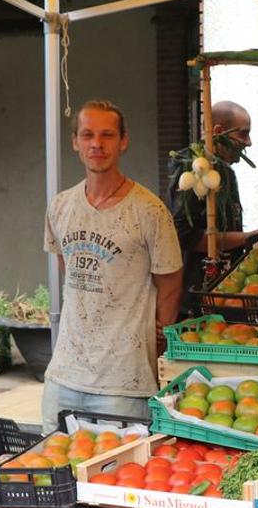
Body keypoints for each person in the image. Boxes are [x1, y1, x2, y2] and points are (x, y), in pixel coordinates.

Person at [41, 99, 183, 423]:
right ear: (75, 141)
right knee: (53, 466)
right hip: (64, 374)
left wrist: (159, 333)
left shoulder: (150, 211)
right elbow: (69, 265)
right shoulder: (60, 206)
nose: (97, 144)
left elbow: (171, 280)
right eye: (88, 135)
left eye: (107, 135)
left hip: (123, 383)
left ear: (123, 141)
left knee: (116, 472)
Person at [170, 100, 254, 315]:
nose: (249, 143)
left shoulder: (226, 173)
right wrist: (246, 238)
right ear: (217, 131)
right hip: (196, 298)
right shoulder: (190, 168)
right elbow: (185, 235)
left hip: (222, 294)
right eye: (243, 134)